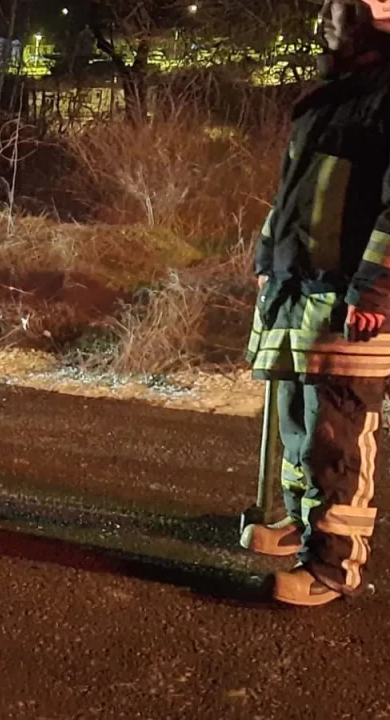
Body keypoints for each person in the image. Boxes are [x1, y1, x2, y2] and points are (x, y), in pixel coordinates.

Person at [243, 0, 390, 607]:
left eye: (343, 8)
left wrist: (377, 288)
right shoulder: (330, 96)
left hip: (349, 297)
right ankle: (305, 530)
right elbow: (294, 192)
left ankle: (332, 565)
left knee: (337, 434)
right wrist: (265, 256)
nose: (328, 17)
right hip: (298, 287)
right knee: (299, 427)